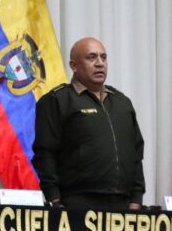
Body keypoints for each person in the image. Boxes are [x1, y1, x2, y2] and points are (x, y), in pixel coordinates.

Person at [33, 37, 146, 210]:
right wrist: (54, 200)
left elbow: (136, 153)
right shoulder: (57, 100)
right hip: (77, 204)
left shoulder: (123, 103)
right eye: (91, 57)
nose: (100, 63)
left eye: (103, 57)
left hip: (123, 206)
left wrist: (136, 200)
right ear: (73, 66)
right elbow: (45, 154)